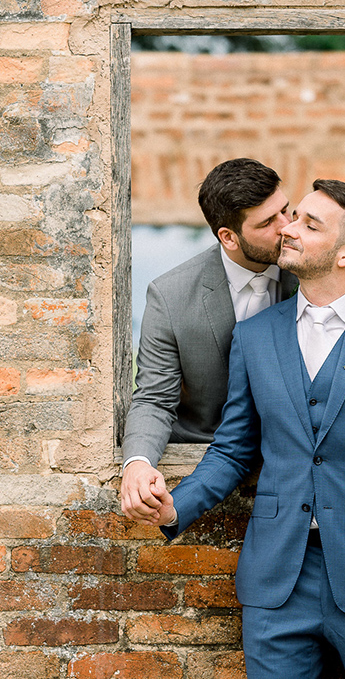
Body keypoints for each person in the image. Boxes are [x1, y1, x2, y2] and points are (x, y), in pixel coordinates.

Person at [136, 179, 345, 679]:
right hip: (276, 584)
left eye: (309, 223)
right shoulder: (255, 336)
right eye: (293, 216)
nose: (289, 229)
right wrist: (178, 504)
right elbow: (234, 449)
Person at [120, 158, 297, 523]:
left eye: (286, 210)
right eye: (268, 222)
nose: (288, 228)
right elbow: (154, 398)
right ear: (228, 237)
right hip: (208, 463)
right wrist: (137, 464)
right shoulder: (170, 296)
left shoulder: (311, 270)